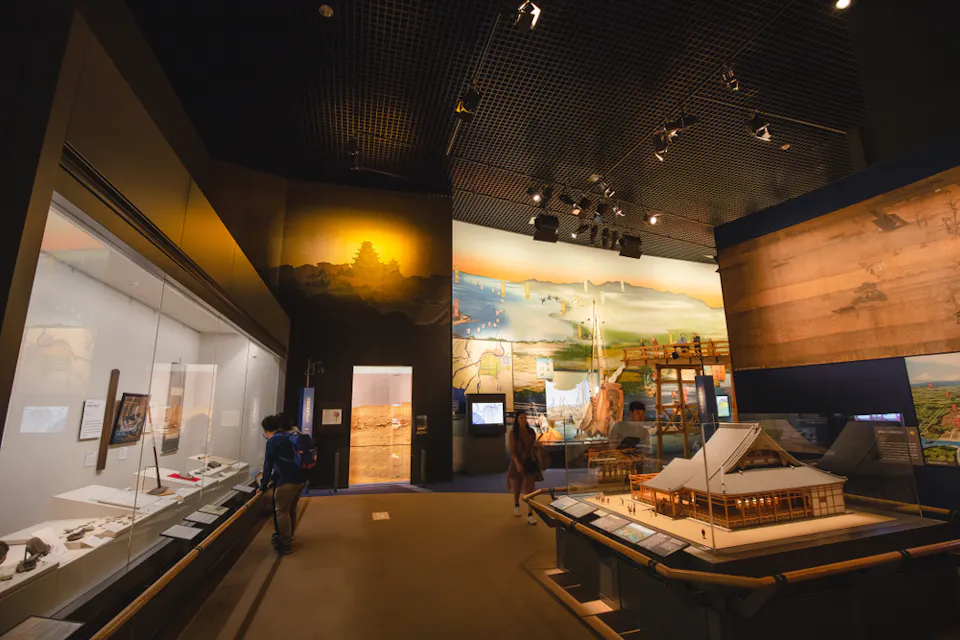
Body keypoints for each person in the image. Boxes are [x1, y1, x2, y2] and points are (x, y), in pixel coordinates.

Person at [260, 414, 308, 555]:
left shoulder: (274, 441)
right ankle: (288, 535)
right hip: (301, 479)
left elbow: (268, 464)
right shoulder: (290, 436)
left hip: (287, 481)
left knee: (281, 510)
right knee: (291, 508)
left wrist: (263, 485)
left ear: (266, 429)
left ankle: (284, 541)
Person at [507, 410, 543, 525]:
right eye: (521, 418)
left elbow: (533, 446)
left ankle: (530, 514)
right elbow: (512, 451)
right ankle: (516, 503)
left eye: (525, 418)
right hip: (518, 462)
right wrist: (517, 463)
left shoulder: (531, 431)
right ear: (517, 420)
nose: (524, 420)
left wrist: (536, 447)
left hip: (530, 462)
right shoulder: (513, 433)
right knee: (516, 487)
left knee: (530, 489)